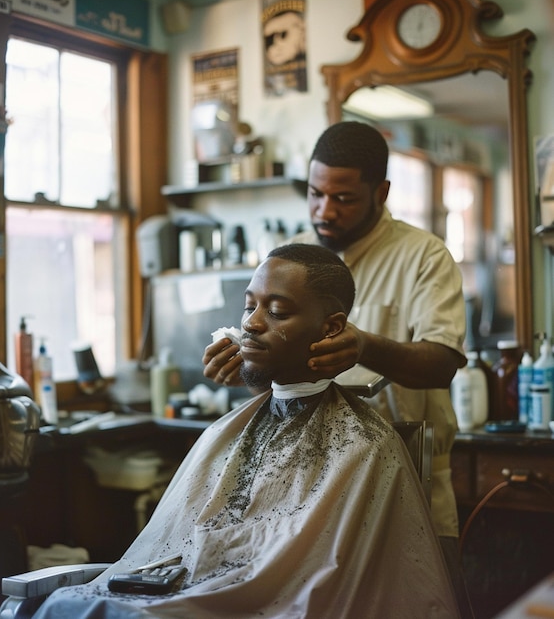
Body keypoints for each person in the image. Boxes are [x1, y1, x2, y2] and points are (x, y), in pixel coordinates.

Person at [31, 244, 459, 618]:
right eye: (248, 306)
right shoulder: (230, 429)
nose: (252, 323)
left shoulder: (364, 447)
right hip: (190, 591)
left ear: (332, 327)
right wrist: (256, 371)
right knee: (67, 606)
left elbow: (319, 588)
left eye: (276, 311)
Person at [202, 121, 472, 616]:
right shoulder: (297, 254)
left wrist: (364, 345)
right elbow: (274, 365)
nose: (326, 211)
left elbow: (441, 363)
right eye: (315, 194)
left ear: (381, 192)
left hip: (399, 471)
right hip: (305, 485)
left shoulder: (423, 256)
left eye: (344, 198)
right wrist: (246, 359)